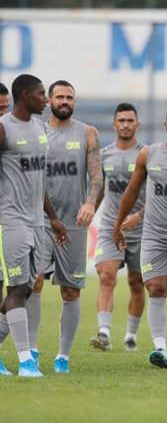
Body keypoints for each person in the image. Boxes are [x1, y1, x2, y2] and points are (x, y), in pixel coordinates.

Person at [113, 104, 167, 369]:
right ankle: (160, 348)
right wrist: (120, 223)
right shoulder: (149, 154)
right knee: (156, 288)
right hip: (155, 236)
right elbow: (132, 192)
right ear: (165, 125)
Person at [30, 80, 102, 373]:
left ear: (74, 101)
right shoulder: (36, 133)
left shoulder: (87, 133)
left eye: (69, 97)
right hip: (40, 221)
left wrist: (90, 203)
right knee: (31, 285)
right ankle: (31, 351)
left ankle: (63, 356)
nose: (64, 101)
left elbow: (96, 176)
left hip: (73, 223)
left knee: (70, 291)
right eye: (59, 96)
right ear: (48, 100)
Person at [0, 74, 68, 377]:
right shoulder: (4, 129)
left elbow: (38, 181)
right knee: (15, 288)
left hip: (36, 222)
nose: (46, 99)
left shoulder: (41, 128)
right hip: (10, 221)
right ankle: (27, 360)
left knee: (26, 289)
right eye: (42, 94)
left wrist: (53, 218)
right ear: (25, 95)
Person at [90, 103, 146, 352]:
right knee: (106, 275)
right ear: (114, 124)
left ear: (137, 124)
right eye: (121, 120)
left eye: (129, 120)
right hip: (110, 227)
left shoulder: (146, 153)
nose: (125, 124)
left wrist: (141, 216)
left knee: (137, 282)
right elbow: (99, 188)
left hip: (141, 229)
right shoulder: (105, 155)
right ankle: (103, 332)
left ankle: (131, 335)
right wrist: (91, 207)